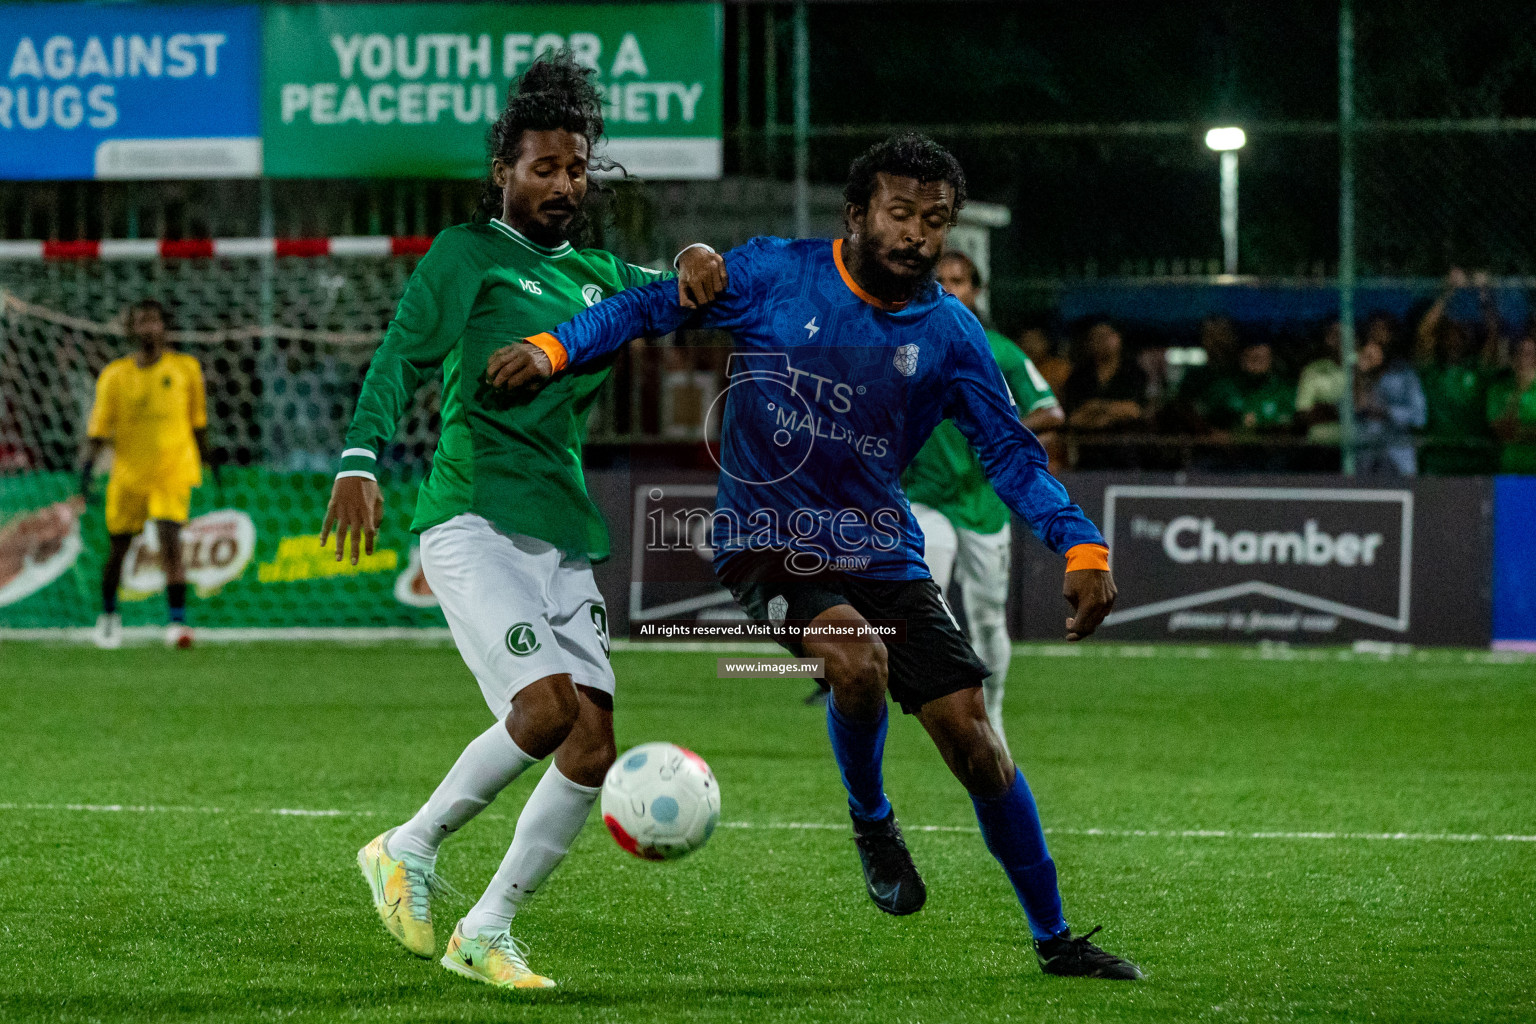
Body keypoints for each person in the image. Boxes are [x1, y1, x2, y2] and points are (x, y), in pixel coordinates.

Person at [492, 133, 1143, 980]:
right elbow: (643, 305)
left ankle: (1056, 939)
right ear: (858, 214)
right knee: (856, 659)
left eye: (934, 220)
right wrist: (553, 347)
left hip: (881, 549)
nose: (917, 234)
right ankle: (871, 815)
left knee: (978, 744)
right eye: (900, 213)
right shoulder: (777, 274)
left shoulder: (951, 334)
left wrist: (1081, 541)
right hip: (764, 541)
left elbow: (1011, 453)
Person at [319, 52, 724, 991]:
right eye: (543, 167)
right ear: (504, 171)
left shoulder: (596, 278)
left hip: (561, 534)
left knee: (592, 743)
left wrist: (703, 263)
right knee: (543, 712)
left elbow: (686, 292)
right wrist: (358, 457)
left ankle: (486, 928)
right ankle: (407, 848)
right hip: (471, 519)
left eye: (576, 168)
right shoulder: (467, 257)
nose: (563, 184)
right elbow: (398, 358)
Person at [897, 249, 1064, 748]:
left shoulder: (998, 350)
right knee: (932, 572)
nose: (951, 288)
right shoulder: (905, 344)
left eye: (960, 280)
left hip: (982, 501)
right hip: (924, 495)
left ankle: (992, 715)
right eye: (941, 280)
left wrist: (997, 428)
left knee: (990, 616)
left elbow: (1052, 412)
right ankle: (946, 694)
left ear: (976, 289)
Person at [80, 299, 213, 649]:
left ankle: (177, 622)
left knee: (172, 542)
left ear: (164, 326)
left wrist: (210, 461)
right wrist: (85, 472)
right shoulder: (114, 376)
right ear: (130, 330)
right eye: (140, 322)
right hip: (129, 474)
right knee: (118, 549)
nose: (148, 328)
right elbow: (97, 432)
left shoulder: (186, 369)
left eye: (153, 321)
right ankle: (109, 616)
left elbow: (199, 423)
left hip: (173, 470)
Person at [1415, 268, 1502, 474]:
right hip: (1438, 461)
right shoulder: (1432, 372)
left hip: (1476, 462)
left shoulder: (1478, 370)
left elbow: (1494, 334)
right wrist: (1448, 291)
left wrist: (1484, 293)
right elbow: (1424, 333)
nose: (1455, 340)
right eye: (1449, 334)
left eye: (1461, 335)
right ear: (1442, 340)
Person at [1353, 329, 1426, 476]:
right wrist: (1361, 374)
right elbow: (1354, 408)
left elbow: (1419, 417)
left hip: (1399, 456)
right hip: (1365, 460)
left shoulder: (1405, 375)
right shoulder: (1355, 379)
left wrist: (1387, 412)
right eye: (1367, 353)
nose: (1371, 356)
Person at [1486, 331, 1536, 474]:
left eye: (1529, 354)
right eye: (1519, 353)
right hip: (1509, 471)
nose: (1523, 359)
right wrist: (1518, 391)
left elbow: (1513, 432)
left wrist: (1519, 432)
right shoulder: (1497, 390)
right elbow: (1504, 433)